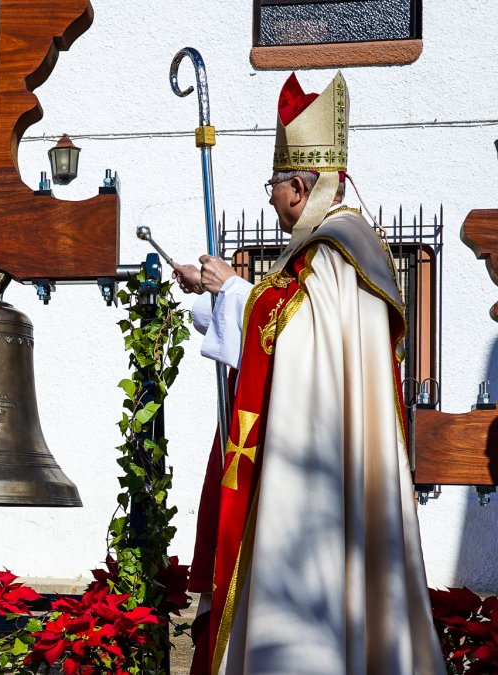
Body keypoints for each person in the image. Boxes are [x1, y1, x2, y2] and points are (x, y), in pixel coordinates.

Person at [173, 72, 444, 675]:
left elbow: (299, 336)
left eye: (272, 186)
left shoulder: (337, 247)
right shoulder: (336, 246)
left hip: (320, 473)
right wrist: (211, 297)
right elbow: (290, 330)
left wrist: (234, 289)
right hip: (330, 456)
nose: (269, 199)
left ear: (299, 185)